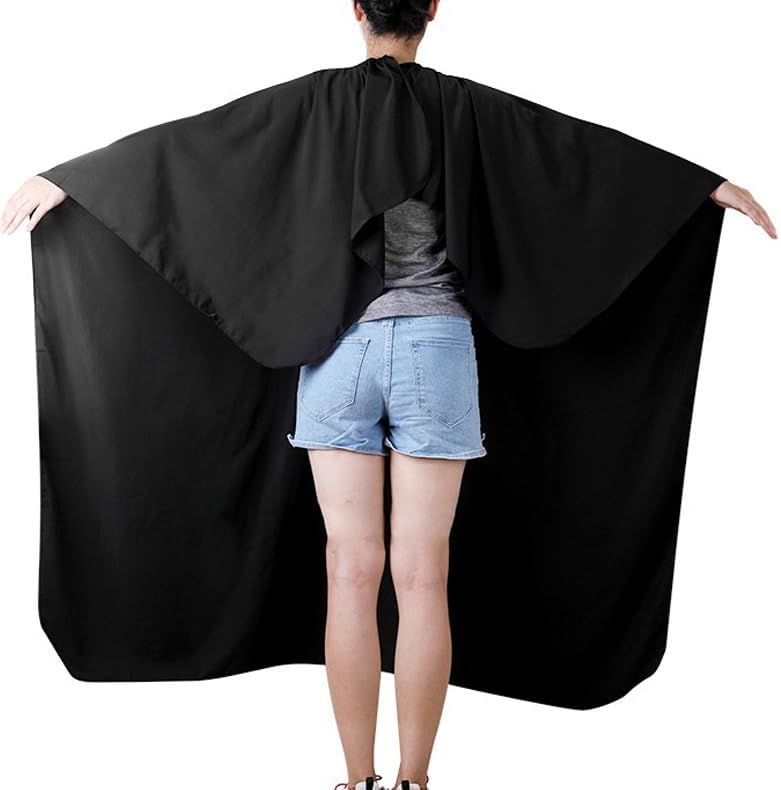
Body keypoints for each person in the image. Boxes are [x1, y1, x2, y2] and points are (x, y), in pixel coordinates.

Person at [1, 3, 776, 790]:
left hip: (338, 351)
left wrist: (70, 179)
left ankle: (354, 778)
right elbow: (581, 157)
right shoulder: (470, 108)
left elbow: (194, 147)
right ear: (431, 9)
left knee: (348, 568)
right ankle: (414, 779)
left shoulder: (312, 104)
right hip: (438, 353)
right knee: (423, 574)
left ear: (355, 8)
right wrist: (697, 188)